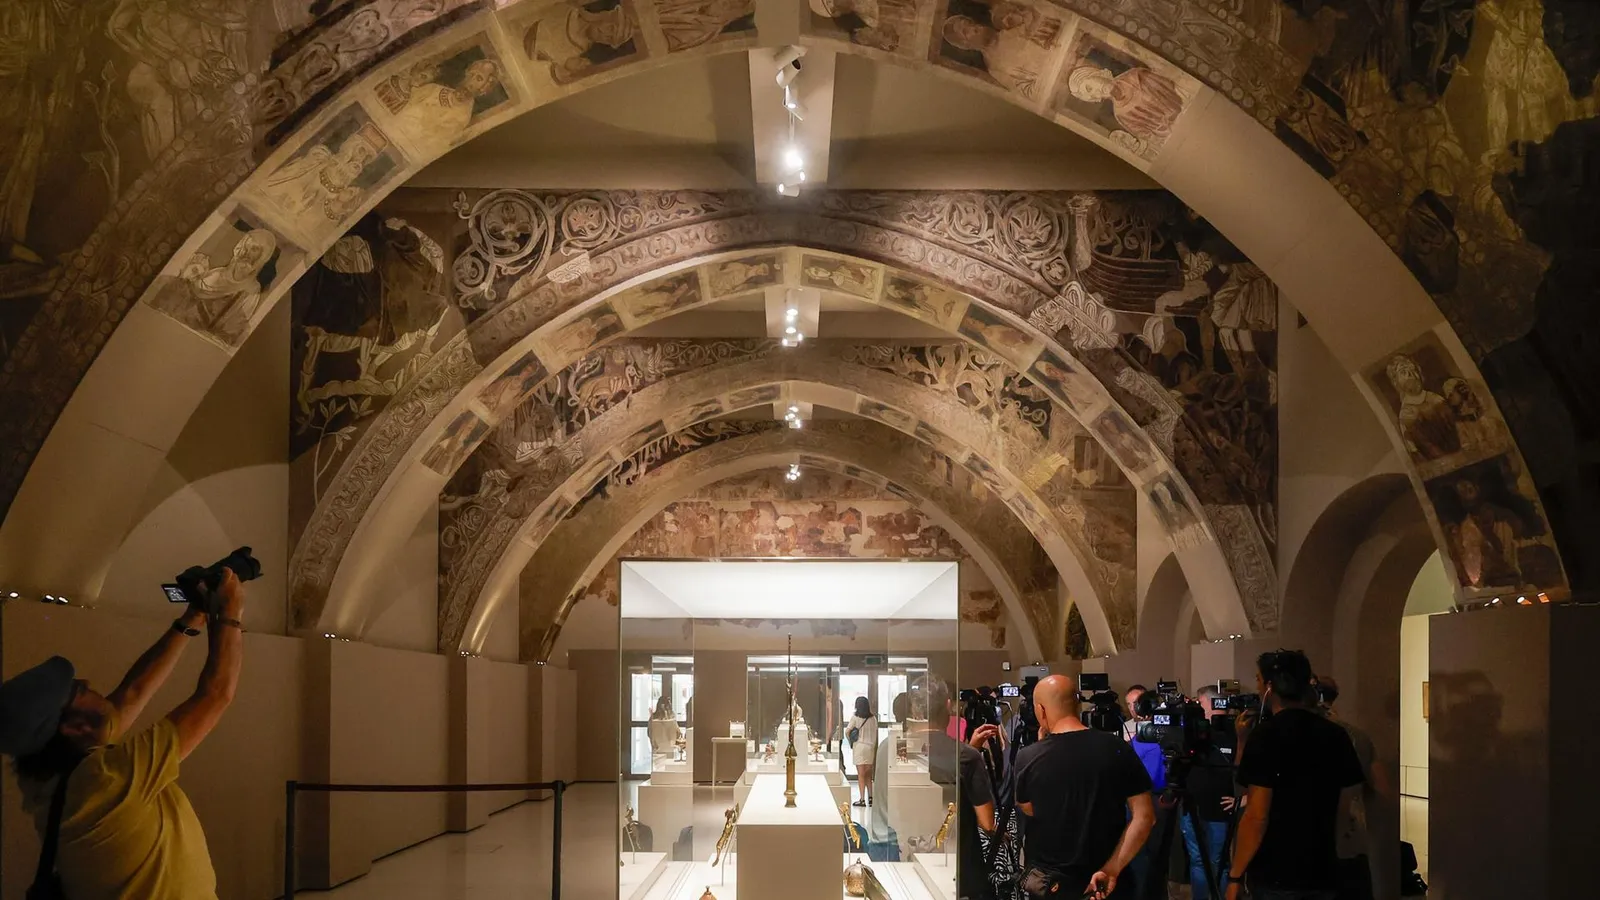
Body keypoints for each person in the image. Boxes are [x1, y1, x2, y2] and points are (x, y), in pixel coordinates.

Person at [0, 567, 248, 899]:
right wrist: (230, 612)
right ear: (74, 726)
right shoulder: (106, 781)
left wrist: (193, 618)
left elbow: (132, 693)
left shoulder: (49, 778)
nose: (89, 684)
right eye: (79, 689)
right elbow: (215, 695)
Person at [1228, 651, 1364, 900]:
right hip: (1323, 868)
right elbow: (1345, 807)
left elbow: (1257, 815)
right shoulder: (1336, 734)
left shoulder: (1265, 736)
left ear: (1270, 686)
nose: (1257, 686)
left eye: (1259, 679)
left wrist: (1235, 875)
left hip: (1276, 871)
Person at [1014, 675, 1155, 898]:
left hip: (1052, 884)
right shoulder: (1118, 748)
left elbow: (1030, 808)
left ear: (1041, 710)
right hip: (1105, 885)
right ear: (1077, 705)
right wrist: (1112, 869)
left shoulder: (1028, 757)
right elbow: (1145, 817)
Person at [1317, 676, 1390, 900]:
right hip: (1352, 840)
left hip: (1316, 846)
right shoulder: (1358, 736)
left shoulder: (1305, 735)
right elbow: (1382, 789)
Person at [1181, 685, 1238, 900]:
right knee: (1198, 861)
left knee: (1219, 862)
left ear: (1211, 703)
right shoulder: (1193, 733)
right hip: (1193, 807)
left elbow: (1245, 770)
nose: (1197, 707)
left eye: (1200, 703)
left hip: (1220, 810)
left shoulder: (1235, 731)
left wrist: (1242, 799)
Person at [849, 696, 879, 807]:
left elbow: (847, 731)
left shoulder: (855, 718)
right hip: (870, 747)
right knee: (868, 775)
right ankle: (871, 797)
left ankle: (862, 799)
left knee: (861, 774)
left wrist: (852, 740)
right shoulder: (873, 718)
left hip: (860, 747)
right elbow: (875, 733)